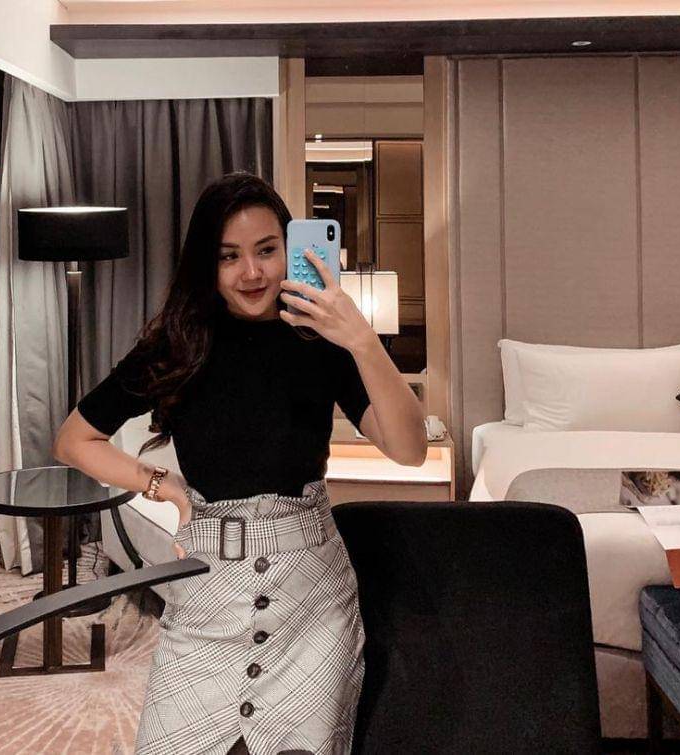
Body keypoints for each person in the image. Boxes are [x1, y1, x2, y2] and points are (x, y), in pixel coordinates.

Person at [52, 172, 426, 755]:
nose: (251, 273)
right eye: (229, 256)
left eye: (267, 251)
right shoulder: (178, 343)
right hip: (207, 593)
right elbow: (75, 440)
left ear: (289, 249)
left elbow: (410, 449)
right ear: (207, 263)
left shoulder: (321, 339)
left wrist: (362, 339)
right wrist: (165, 485)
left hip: (311, 596)